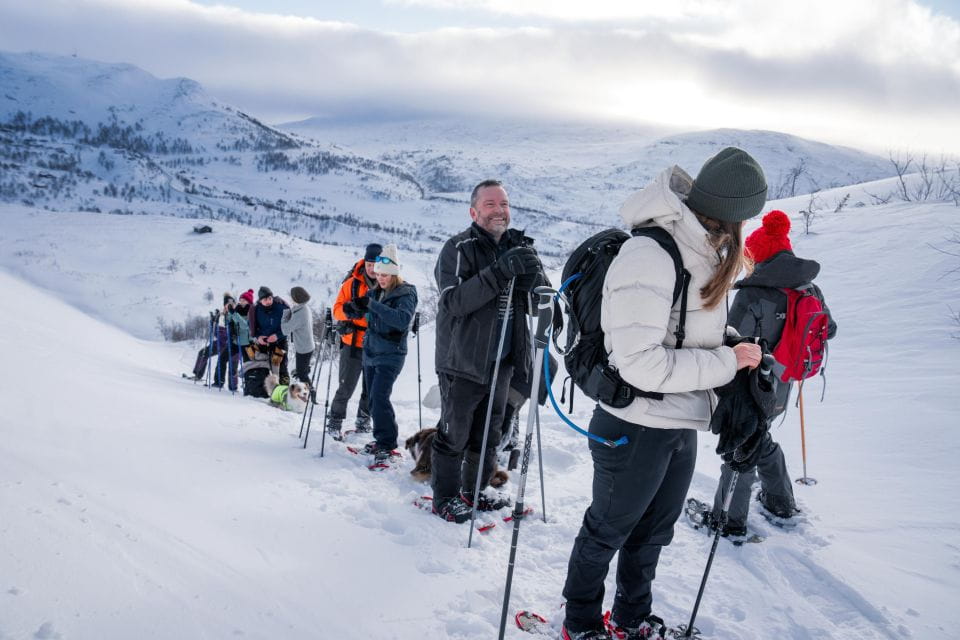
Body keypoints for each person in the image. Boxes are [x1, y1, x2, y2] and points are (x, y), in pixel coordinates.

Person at [560, 147, 767, 640]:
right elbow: (638, 361)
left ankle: (631, 619)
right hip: (632, 423)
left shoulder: (703, 251)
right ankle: (581, 623)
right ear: (732, 214)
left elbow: (685, 332)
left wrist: (734, 346)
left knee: (653, 532)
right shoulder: (651, 254)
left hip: (680, 419)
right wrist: (725, 364)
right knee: (608, 529)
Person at [709, 209, 837, 535]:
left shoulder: (754, 293)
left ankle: (728, 521)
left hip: (751, 385)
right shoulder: (809, 289)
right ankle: (779, 502)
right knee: (759, 438)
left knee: (742, 445)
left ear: (759, 254)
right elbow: (829, 330)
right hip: (785, 383)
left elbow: (728, 338)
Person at [430, 179, 547, 523]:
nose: (500, 210)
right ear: (474, 211)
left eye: (505, 204)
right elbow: (453, 301)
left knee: (488, 436)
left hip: (504, 361)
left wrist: (533, 285)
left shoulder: (520, 247)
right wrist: (498, 273)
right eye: (491, 204)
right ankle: (445, 498)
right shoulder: (458, 248)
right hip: (462, 361)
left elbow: (542, 298)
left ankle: (474, 491)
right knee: (455, 434)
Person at [345, 244, 418, 463]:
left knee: (379, 396)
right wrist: (355, 309)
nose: (381, 278)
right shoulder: (376, 291)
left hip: (391, 354)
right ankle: (380, 440)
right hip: (371, 352)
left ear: (394, 273)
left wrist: (372, 305)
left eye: (385, 275)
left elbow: (401, 320)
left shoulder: (406, 292)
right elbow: (368, 311)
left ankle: (387, 443)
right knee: (373, 400)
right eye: (378, 274)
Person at [327, 243, 381, 438]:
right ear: (364, 263)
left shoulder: (387, 283)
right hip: (353, 343)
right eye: (369, 263)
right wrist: (349, 311)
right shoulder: (352, 284)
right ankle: (334, 421)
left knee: (371, 388)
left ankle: (363, 420)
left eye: (375, 264)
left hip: (376, 344)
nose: (372, 268)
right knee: (346, 386)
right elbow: (336, 310)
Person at [247, 286, 290, 385]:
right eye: (265, 299)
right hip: (264, 343)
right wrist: (258, 337)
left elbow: (288, 325)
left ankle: (284, 391)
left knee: (281, 366)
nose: (268, 301)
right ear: (260, 300)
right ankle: (266, 390)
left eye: (270, 298)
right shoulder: (255, 309)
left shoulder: (281, 307)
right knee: (263, 366)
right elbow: (251, 325)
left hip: (280, 342)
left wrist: (277, 335)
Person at [281, 286, 315, 384]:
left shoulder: (300, 314)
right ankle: (307, 389)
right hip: (307, 345)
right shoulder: (304, 307)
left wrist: (285, 315)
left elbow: (285, 330)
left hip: (303, 349)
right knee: (302, 371)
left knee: (302, 375)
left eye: (292, 297)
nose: (291, 299)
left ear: (296, 298)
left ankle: (309, 393)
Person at [212, 293, 243, 391]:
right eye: (227, 303)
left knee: (233, 365)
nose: (229, 305)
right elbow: (217, 334)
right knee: (221, 360)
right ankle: (219, 382)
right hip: (226, 343)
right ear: (224, 305)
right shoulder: (221, 316)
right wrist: (214, 322)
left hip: (236, 343)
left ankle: (233, 387)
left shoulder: (236, 313)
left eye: (231, 303)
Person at [235, 289, 254, 361]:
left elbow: (246, 325)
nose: (241, 302)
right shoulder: (237, 310)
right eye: (240, 300)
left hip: (250, 342)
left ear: (249, 302)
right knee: (246, 362)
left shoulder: (252, 311)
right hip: (240, 341)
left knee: (250, 361)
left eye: (244, 300)